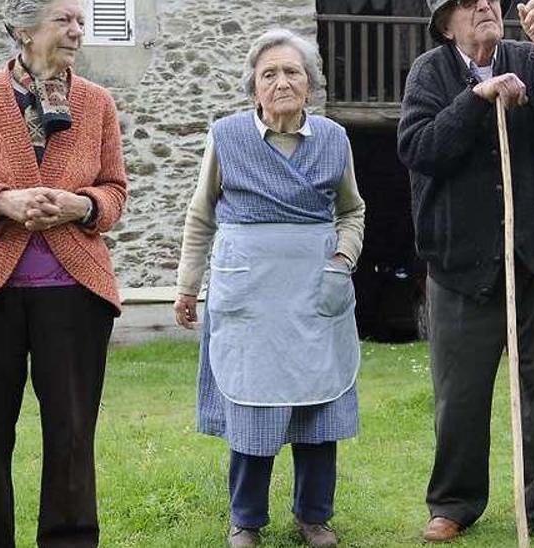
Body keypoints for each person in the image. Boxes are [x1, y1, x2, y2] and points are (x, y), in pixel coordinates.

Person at [0, 0, 128, 545]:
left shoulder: (98, 104)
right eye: (64, 19)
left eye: (81, 21)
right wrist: (2, 202)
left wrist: (80, 206)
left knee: (71, 435)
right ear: (23, 28)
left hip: (74, 294)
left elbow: (114, 192)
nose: (77, 30)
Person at [397, 0, 534, 544]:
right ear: (445, 23)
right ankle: (455, 503)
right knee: (460, 392)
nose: (485, 4)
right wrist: (476, 99)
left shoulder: (529, 57)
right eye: (466, 0)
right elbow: (418, 148)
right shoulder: (429, 73)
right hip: (460, 264)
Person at [172, 28, 366, 548]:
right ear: (254, 88)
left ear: (309, 83)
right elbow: (200, 216)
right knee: (253, 407)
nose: (282, 82)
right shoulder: (226, 136)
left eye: (293, 72)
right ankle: (246, 521)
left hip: (315, 291)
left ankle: (314, 517)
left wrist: (343, 258)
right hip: (250, 295)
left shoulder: (334, 139)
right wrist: (187, 286)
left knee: (318, 406)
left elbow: (351, 211)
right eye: (270, 74)